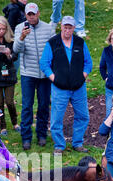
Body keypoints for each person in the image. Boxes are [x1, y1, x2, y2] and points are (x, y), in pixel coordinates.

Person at [40, 15, 92, 156]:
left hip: (78, 88)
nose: (67, 30)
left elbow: (88, 62)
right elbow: (44, 63)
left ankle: (78, 143)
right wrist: (53, 78)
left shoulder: (80, 43)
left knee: (83, 116)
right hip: (59, 88)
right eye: (65, 27)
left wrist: (83, 76)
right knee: (57, 118)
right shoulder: (52, 43)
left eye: (70, 27)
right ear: (61, 27)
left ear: (74, 28)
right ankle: (59, 145)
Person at [13, 2, 55, 150]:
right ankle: (26, 137)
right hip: (28, 74)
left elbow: (54, 48)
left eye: (33, 14)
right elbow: (16, 50)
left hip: (44, 75)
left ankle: (42, 134)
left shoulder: (48, 28)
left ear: (38, 14)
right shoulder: (20, 28)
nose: (31, 17)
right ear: (26, 15)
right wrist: (22, 38)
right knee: (27, 106)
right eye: (28, 14)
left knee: (43, 105)